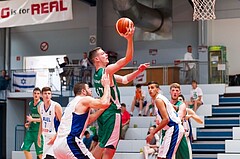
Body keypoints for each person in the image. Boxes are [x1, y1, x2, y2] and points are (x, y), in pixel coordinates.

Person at [88, 24, 149, 158]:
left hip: (103, 114)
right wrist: (129, 39)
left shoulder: (99, 74)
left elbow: (125, 79)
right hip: (112, 113)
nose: (106, 54)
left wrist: (138, 71)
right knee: (109, 149)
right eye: (103, 53)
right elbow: (127, 59)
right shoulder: (107, 70)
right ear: (97, 59)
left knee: (102, 146)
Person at [53, 73, 111, 159]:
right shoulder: (84, 99)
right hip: (69, 141)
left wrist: (102, 110)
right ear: (83, 91)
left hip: (58, 145)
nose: (91, 91)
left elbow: (88, 120)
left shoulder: (72, 103)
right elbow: (104, 103)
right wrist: (106, 86)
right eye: (88, 88)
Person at [146, 81, 184, 159]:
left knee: (166, 157)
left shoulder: (158, 100)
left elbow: (166, 119)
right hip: (169, 129)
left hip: (174, 128)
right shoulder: (160, 98)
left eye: (152, 88)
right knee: (160, 156)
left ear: (157, 89)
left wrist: (152, 133)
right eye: (149, 88)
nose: (150, 90)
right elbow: (173, 106)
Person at [38, 87, 63, 159]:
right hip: (45, 136)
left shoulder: (56, 106)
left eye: (49, 93)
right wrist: (39, 136)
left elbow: (63, 124)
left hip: (55, 136)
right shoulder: (40, 106)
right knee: (44, 157)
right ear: (41, 95)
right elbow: (41, 121)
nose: (47, 95)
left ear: (51, 95)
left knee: (50, 157)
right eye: (45, 93)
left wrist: (56, 136)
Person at [178, 94, 203, 159]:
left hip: (185, 138)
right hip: (176, 137)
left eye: (180, 100)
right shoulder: (173, 112)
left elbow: (200, 121)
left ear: (184, 101)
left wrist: (191, 116)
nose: (179, 102)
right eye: (178, 100)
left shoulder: (188, 111)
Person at [21, 87, 43, 159]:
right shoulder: (30, 104)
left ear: (40, 95)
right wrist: (29, 123)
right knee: (25, 149)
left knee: (40, 154)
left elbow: (43, 119)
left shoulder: (41, 105)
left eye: (38, 93)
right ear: (32, 94)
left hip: (38, 131)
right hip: (31, 130)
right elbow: (31, 116)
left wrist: (32, 119)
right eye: (35, 93)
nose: (36, 95)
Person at [169, 83, 190, 159]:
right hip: (167, 132)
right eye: (173, 90)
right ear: (170, 92)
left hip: (178, 132)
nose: (175, 92)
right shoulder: (166, 104)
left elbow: (178, 118)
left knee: (184, 157)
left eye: (177, 90)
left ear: (179, 93)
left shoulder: (182, 105)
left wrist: (172, 108)